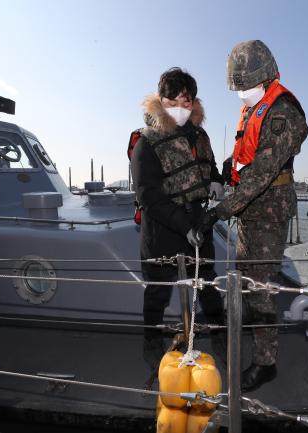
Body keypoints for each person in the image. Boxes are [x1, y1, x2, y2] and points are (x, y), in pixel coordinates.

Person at [191, 40, 308, 391]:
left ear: (266, 76)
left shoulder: (283, 111)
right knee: (245, 279)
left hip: (268, 210)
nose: (241, 93)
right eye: (238, 87)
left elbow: (261, 174)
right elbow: (247, 153)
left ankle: (265, 362)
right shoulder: (255, 107)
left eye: (245, 86)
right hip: (250, 208)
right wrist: (230, 164)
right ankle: (250, 336)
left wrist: (218, 212)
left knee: (260, 289)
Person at [130, 67, 225, 367]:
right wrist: (183, 225)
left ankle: (221, 334)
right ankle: (151, 342)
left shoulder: (200, 136)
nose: (181, 109)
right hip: (162, 231)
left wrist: (216, 180)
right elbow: (147, 195)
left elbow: (209, 166)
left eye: (187, 102)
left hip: (198, 224)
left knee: (208, 285)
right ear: (161, 101)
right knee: (157, 294)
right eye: (174, 102)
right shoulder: (145, 142)